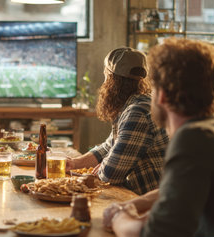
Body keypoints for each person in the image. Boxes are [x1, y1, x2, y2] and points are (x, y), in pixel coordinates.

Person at [103, 38, 214, 237]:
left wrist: (118, 218)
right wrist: (132, 204)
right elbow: (179, 191)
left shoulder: (192, 140)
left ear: (162, 96)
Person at [67, 47, 168, 195]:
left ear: (110, 79)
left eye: (105, 75)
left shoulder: (137, 112)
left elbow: (110, 174)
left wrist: (103, 166)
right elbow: (109, 146)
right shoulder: (136, 104)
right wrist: (74, 163)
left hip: (149, 204)